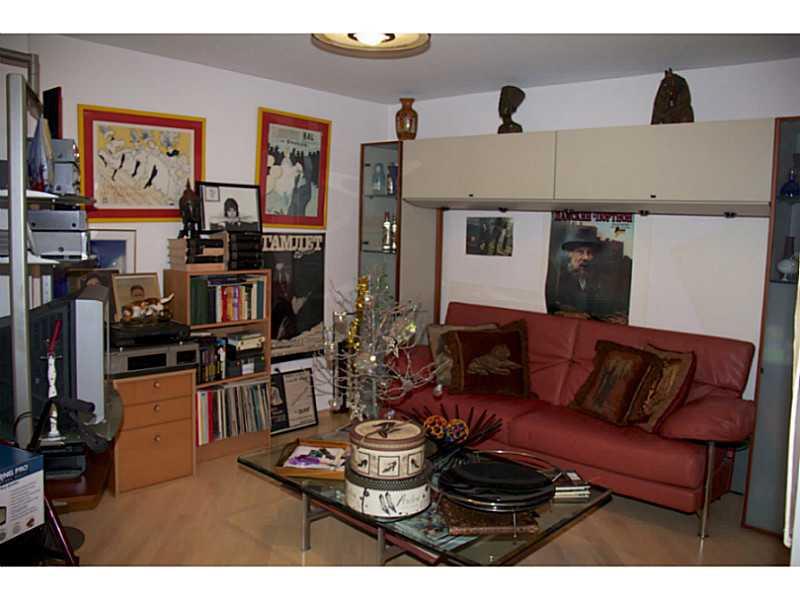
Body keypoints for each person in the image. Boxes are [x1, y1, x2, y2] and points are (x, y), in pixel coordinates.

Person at [545, 225, 631, 324]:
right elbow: (549, 310)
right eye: (580, 252)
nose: (586, 257)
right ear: (570, 253)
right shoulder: (558, 279)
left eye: (589, 253)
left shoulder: (599, 280)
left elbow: (611, 308)